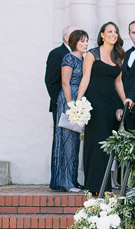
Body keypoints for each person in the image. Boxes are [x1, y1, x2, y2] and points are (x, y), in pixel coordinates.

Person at [75, 22, 128, 194]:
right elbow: (85, 78)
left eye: (115, 31)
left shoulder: (119, 55)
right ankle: (93, 185)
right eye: (109, 31)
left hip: (111, 103)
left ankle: (105, 185)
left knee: (107, 143)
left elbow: (118, 82)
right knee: (95, 141)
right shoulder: (92, 54)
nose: (113, 34)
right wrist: (78, 102)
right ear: (102, 35)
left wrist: (124, 100)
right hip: (94, 101)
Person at [50, 29, 88, 192]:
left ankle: (72, 179)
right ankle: (65, 182)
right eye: (82, 41)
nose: (85, 44)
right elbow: (65, 83)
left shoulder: (83, 59)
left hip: (78, 101)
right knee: (66, 140)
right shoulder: (69, 58)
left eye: (86, 41)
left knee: (74, 140)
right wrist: (70, 104)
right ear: (74, 43)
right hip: (68, 100)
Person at [45, 24, 76, 166]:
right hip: (60, 104)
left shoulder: (78, 55)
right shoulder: (56, 54)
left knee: (72, 142)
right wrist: (59, 101)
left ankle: (70, 178)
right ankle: (59, 178)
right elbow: (50, 81)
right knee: (60, 142)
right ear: (66, 37)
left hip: (74, 105)